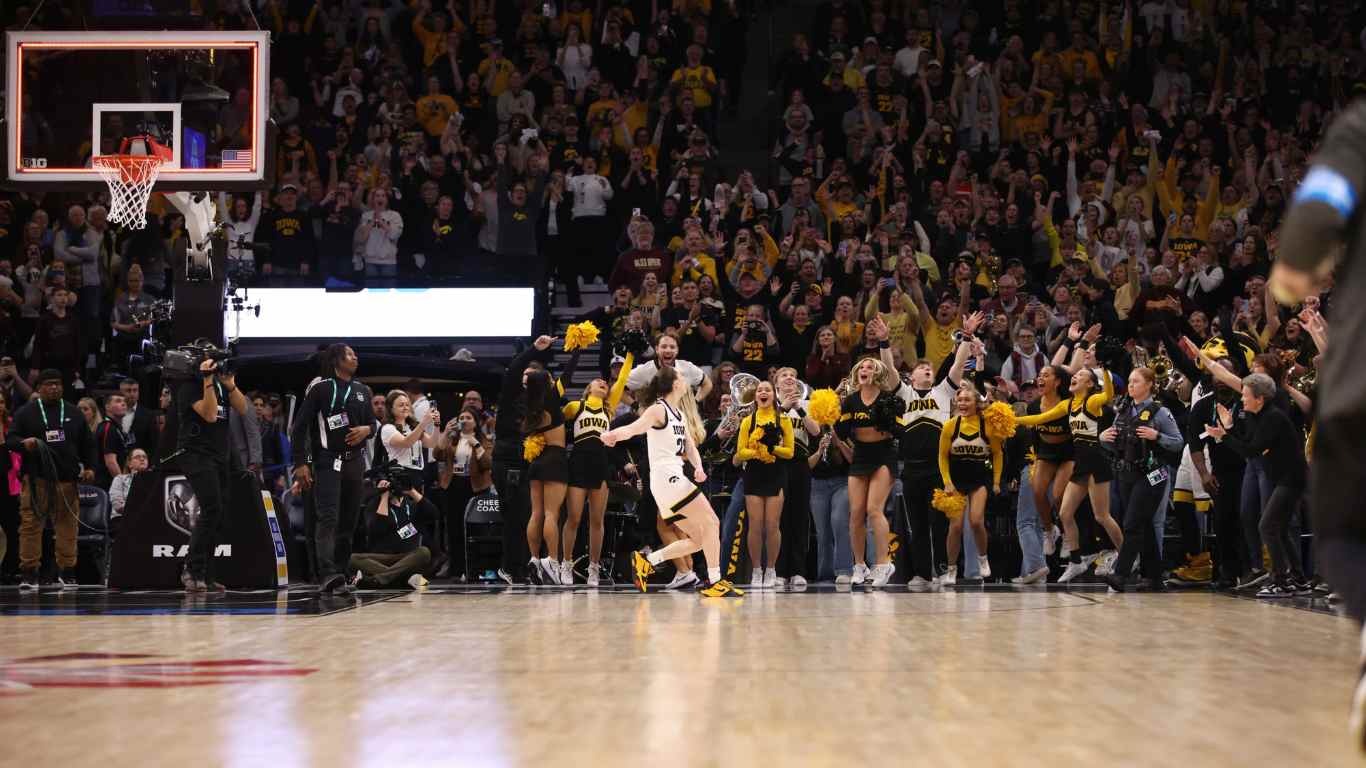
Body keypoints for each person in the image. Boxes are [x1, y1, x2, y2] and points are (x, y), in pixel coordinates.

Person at [603, 366, 741, 598]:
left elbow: (690, 447)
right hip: (668, 479)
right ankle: (715, 582)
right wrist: (613, 435)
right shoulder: (658, 409)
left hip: (672, 481)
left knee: (699, 539)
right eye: (682, 377)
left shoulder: (679, 414)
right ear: (676, 384)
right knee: (712, 523)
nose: (686, 381)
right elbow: (635, 428)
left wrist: (698, 467)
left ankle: (648, 561)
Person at [883, 314, 974, 587]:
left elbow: (958, 365)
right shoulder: (904, 394)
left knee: (940, 523)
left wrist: (967, 337)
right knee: (918, 525)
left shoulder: (943, 392)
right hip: (911, 468)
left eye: (930, 369)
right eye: (922, 369)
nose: (927, 371)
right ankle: (922, 574)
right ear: (912, 376)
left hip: (938, 468)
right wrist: (884, 342)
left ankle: (944, 570)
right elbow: (889, 370)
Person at [1016, 352, 1124, 582]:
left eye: (1081, 376)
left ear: (1090, 384)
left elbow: (1108, 394)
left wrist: (1105, 369)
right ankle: (1076, 561)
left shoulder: (1092, 402)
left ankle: (1127, 556)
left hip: (1096, 462)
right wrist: (1012, 419)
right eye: (1075, 375)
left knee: (1102, 516)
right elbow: (1039, 419)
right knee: (1065, 513)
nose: (1075, 377)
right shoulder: (1067, 405)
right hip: (1081, 464)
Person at [1205, 373, 1308, 597]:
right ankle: (1298, 579)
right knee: (1279, 528)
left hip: (1292, 478)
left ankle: (1281, 581)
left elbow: (1251, 451)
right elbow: (1248, 443)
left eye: (1245, 395)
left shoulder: (1273, 418)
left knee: (1267, 526)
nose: (1242, 399)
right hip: (1280, 477)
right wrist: (1229, 428)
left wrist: (1224, 436)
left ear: (1259, 399)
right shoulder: (1256, 416)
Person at [289, 344, 377, 595]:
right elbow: (299, 427)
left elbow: (372, 423)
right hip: (328, 461)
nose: (355, 357)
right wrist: (301, 463)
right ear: (337, 360)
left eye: (355, 354)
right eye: (350, 354)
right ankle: (328, 574)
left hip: (355, 462)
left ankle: (341, 571)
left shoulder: (362, 390)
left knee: (349, 521)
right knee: (328, 518)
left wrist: (366, 430)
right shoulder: (321, 388)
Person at [6, 370, 95, 590]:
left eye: (57, 384)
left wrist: (90, 467)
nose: (54, 388)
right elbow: (11, 439)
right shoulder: (26, 412)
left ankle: (68, 571)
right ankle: (29, 573)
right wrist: (23, 443)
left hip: (67, 481)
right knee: (30, 526)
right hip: (36, 480)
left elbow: (88, 444)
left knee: (68, 527)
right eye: (48, 384)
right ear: (39, 388)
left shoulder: (74, 412)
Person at [1100, 367, 1185, 592]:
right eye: (1129, 381)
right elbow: (1115, 442)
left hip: (1153, 473)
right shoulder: (1123, 410)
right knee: (1143, 524)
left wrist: (1157, 436)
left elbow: (1178, 442)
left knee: (1132, 523)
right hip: (1127, 473)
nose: (1130, 385)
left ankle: (1121, 574)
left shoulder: (1160, 412)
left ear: (1149, 385)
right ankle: (1154, 576)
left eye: (1136, 381)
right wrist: (1103, 438)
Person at [174, 356, 249, 592]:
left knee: (219, 513)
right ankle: (191, 569)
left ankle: (205, 575)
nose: (216, 367)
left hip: (219, 456)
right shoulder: (188, 387)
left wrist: (230, 385)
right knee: (211, 508)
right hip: (196, 455)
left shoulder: (220, 384)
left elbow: (243, 408)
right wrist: (207, 380)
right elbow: (209, 415)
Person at [561, 352, 633, 587]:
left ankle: (594, 567)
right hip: (578, 463)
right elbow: (554, 418)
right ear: (588, 389)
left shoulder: (608, 409)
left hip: (600, 464)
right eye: (597, 381)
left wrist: (630, 354)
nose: (603, 382)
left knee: (597, 519)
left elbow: (622, 379)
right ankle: (566, 563)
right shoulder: (576, 406)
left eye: (605, 382)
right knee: (573, 517)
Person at [493, 335, 556, 585]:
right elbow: (513, 371)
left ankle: (523, 566)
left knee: (527, 515)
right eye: (525, 375)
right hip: (507, 461)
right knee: (514, 515)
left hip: (528, 462)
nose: (526, 378)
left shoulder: (539, 405)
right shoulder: (511, 395)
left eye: (532, 376)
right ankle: (510, 567)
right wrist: (534, 349)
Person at [835, 356, 900, 586]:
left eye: (870, 367)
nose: (865, 369)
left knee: (874, 509)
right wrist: (834, 416)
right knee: (855, 513)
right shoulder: (850, 401)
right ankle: (860, 565)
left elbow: (898, 431)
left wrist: (887, 421)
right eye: (861, 367)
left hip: (884, 455)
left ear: (878, 373)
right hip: (861, 456)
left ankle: (883, 564)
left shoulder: (887, 398)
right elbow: (842, 433)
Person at [937, 383, 1004, 585]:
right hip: (956, 480)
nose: (963, 403)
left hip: (979, 479)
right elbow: (942, 456)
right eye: (960, 400)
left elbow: (997, 453)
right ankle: (951, 569)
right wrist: (947, 482)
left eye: (967, 400)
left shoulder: (987, 426)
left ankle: (983, 558)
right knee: (955, 526)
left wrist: (996, 481)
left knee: (975, 521)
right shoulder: (950, 426)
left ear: (977, 403)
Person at [735, 379, 794, 588]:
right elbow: (740, 452)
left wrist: (772, 449)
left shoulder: (783, 420)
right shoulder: (747, 421)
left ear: (774, 395)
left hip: (776, 474)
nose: (763, 392)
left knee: (772, 525)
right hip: (754, 474)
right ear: (755, 396)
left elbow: (790, 452)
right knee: (755, 525)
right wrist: (758, 450)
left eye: (767, 390)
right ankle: (756, 570)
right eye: (760, 390)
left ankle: (771, 569)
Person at [773, 367, 818, 588]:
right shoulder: (770, 405)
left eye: (793, 375)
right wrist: (783, 407)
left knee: (799, 519)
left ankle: (798, 571)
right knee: (779, 519)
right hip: (777, 465)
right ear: (776, 384)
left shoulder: (806, 404)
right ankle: (780, 571)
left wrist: (799, 408)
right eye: (784, 375)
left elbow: (815, 431)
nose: (789, 378)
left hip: (800, 465)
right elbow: (767, 428)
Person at [347, 479, 436, 589]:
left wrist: (411, 490)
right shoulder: (375, 504)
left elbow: (433, 514)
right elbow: (377, 529)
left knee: (424, 552)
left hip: (407, 558)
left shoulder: (412, 506)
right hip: (382, 557)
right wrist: (384, 497)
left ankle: (377, 579)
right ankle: (406, 579)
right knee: (353, 559)